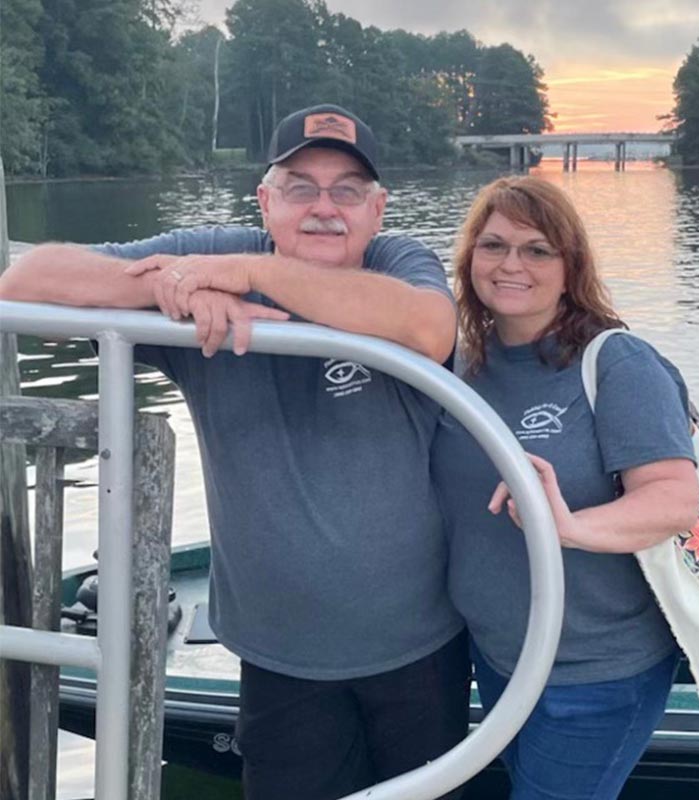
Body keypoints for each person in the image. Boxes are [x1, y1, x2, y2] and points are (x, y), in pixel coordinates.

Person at [0, 104, 469, 800]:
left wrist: (247, 275)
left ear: (377, 211)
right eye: (301, 187)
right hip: (279, 659)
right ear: (265, 201)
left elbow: (430, 328)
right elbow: (26, 282)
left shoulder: (395, 262)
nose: (324, 209)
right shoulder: (209, 256)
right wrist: (164, 287)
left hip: (419, 650)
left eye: (347, 190)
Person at [431, 175, 699, 800]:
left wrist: (571, 526)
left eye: (537, 249)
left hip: (595, 671)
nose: (511, 264)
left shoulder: (618, 364)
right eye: (493, 245)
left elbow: (673, 499)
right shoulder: (461, 365)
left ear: (569, 265)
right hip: (496, 659)